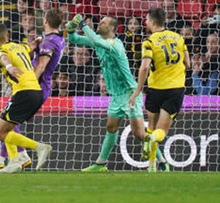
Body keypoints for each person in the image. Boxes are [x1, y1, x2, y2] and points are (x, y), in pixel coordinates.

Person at [66, 14, 160, 172]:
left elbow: (95, 41)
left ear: (111, 28)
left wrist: (82, 24)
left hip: (129, 92)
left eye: (103, 22)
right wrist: (70, 29)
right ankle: (101, 163)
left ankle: (161, 161)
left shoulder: (116, 44)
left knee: (139, 134)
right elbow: (75, 39)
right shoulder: (98, 41)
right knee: (111, 127)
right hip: (116, 95)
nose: (99, 24)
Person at [0, 8, 65, 173]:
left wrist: (11, 68)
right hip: (33, 87)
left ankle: (18, 157)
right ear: (8, 35)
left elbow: (39, 65)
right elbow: (32, 46)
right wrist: (39, 39)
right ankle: (10, 158)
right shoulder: (25, 45)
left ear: (46, 21)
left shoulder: (2, 51)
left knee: (4, 126)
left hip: (32, 86)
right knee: (8, 119)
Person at [129, 8, 190, 172]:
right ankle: (152, 144)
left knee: (151, 127)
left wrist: (137, 90)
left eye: (147, 20)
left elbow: (144, 67)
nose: (145, 22)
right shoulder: (178, 38)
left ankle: (152, 166)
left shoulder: (149, 42)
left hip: (155, 89)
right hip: (175, 89)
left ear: (153, 22)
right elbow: (188, 64)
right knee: (160, 131)